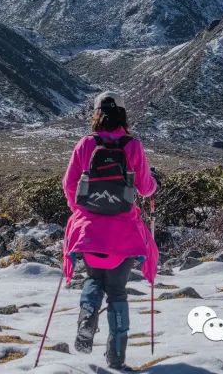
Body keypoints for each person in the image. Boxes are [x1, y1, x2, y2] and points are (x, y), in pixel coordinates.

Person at [61, 92, 158, 371]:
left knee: (93, 280)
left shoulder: (85, 144)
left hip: (90, 231)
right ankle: (116, 356)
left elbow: (69, 185)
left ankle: (86, 318)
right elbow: (145, 187)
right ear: (123, 115)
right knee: (117, 291)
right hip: (124, 233)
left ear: (96, 114)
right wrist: (155, 186)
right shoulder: (133, 145)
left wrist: (81, 213)